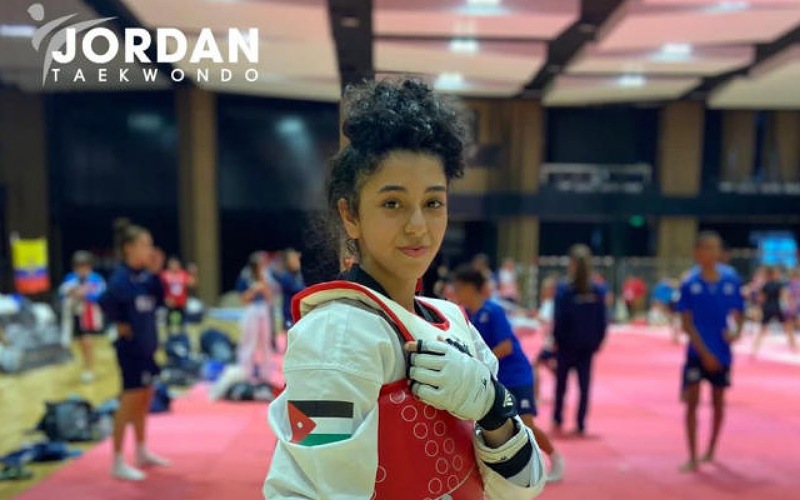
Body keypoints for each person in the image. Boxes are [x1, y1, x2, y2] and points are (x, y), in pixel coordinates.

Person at [265, 77, 545, 499]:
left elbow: (521, 489)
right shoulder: (336, 333)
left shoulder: (454, 321)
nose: (418, 225)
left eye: (433, 203)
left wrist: (493, 408)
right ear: (351, 215)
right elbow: (310, 492)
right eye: (392, 203)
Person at [452, 266, 564, 482]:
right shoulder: (470, 315)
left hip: (516, 375)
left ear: (469, 288)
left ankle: (554, 457)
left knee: (526, 424)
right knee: (498, 427)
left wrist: (479, 363)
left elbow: (506, 346)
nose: (455, 292)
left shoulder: (492, 311)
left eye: (458, 288)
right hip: (497, 378)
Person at [99, 221, 170, 481]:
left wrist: (157, 271)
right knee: (129, 401)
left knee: (144, 397)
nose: (149, 249)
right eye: (144, 244)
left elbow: (161, 300)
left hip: (147, 347)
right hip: (130, 349)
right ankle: (117, 460)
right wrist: (119, 323)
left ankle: (141, 450)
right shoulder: (121, 278)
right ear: (129, 248)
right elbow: (105, 301)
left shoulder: (147, 278)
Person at [676, 231, 744, 472]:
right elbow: (686, 323)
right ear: (697, 252)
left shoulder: (731, 279)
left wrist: (736, 333)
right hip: (697, 353)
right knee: (692, 403)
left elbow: (739, 311)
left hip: (722, 352)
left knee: (718, 402)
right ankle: (692, 455)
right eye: (708, 248)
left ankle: (712, 449)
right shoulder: (690, 283)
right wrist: (704, 353)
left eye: (716, 248)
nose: (713, 253)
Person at [552, 244, 607, 437]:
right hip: (586, 346)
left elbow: (559, 319)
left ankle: (558, 417)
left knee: (562, 384)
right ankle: (581, 422)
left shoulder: (565, 290)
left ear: (572, 264)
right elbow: (602, 320)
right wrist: (598, 341)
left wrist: (556, 340)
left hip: (567, 346)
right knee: (584, 386)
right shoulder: (597, 290)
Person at [58, 250, 106, 383]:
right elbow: (62, 293)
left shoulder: (96, 279)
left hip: (90, 315)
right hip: (75, 315)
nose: (82, 270)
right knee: (81, 342)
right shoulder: (70, 278)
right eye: (79, 267)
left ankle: (89, 369)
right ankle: (86, 365)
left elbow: (101, 295)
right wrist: (72, 292)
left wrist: (86, 294)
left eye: (85, 266)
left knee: (87, 340)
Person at [236, 251, 275, 383]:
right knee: (249, 341)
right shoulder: (245, 276)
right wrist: (254, 289)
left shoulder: (266, 276)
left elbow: (270, 298)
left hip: (263, 309)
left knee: (265, 342)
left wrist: (264, 287)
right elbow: (243, 300)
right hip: (251, 309)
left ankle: (266, 373)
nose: (263, 265)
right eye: (261, 263)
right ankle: (245, 372)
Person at [751, 266, 797, 355]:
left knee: (762, 328)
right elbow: (785, 296)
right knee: (787, 326)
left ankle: (755, 348)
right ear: (773, 274)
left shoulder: (765, 285)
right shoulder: (779, 284)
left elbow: (761, 298)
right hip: (777, 307)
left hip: (767, 308)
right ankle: (793, 345)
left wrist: (760, 307)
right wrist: (791, 305)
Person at [533, 276, 558, 403]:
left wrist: (536, 316)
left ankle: (536, 396)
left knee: (535, 366)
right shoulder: (551, 303)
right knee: (552, 367)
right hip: (551, 341)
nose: (543, 291)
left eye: (546, 289)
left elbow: (546, 320)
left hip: (550, 343)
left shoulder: (550, 304)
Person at [160, 256, 197, 335]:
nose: (174, 266)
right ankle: (169, 336)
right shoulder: (165, 274)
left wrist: (193, 274)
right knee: (168, 322)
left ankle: (183, 336)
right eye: (172, 264)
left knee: (183, 322)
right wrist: (165, 299)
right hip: (170, 303)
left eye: (175, 264)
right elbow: (159, 287)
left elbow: (192, 284)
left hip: (181, 303)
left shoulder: (183, 274)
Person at [272, 248, 306, 333]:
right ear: (288, 261)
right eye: (293, 259)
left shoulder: (301, 275)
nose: (296, 261)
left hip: (301, 314)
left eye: (297, 259)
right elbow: (297, 289)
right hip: (289, 316)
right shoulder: (285, 276)